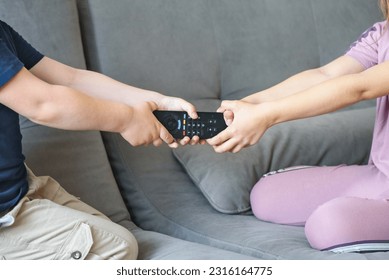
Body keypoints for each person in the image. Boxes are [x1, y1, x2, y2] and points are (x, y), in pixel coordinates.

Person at [0, 19, 201, 259]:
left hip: (17, 187)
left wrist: (156, 101)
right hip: (5, 210)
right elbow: (42, 103)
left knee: (106, 234)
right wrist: (127, 120)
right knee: (117, 248)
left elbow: (70, 79)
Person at [208, 0, 389, 252]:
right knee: (266, 197)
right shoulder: (383, 33)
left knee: (327, 226)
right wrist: (246, 105)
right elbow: (326, 75)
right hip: (382, 177)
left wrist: (265, 116)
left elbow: (359, 87)